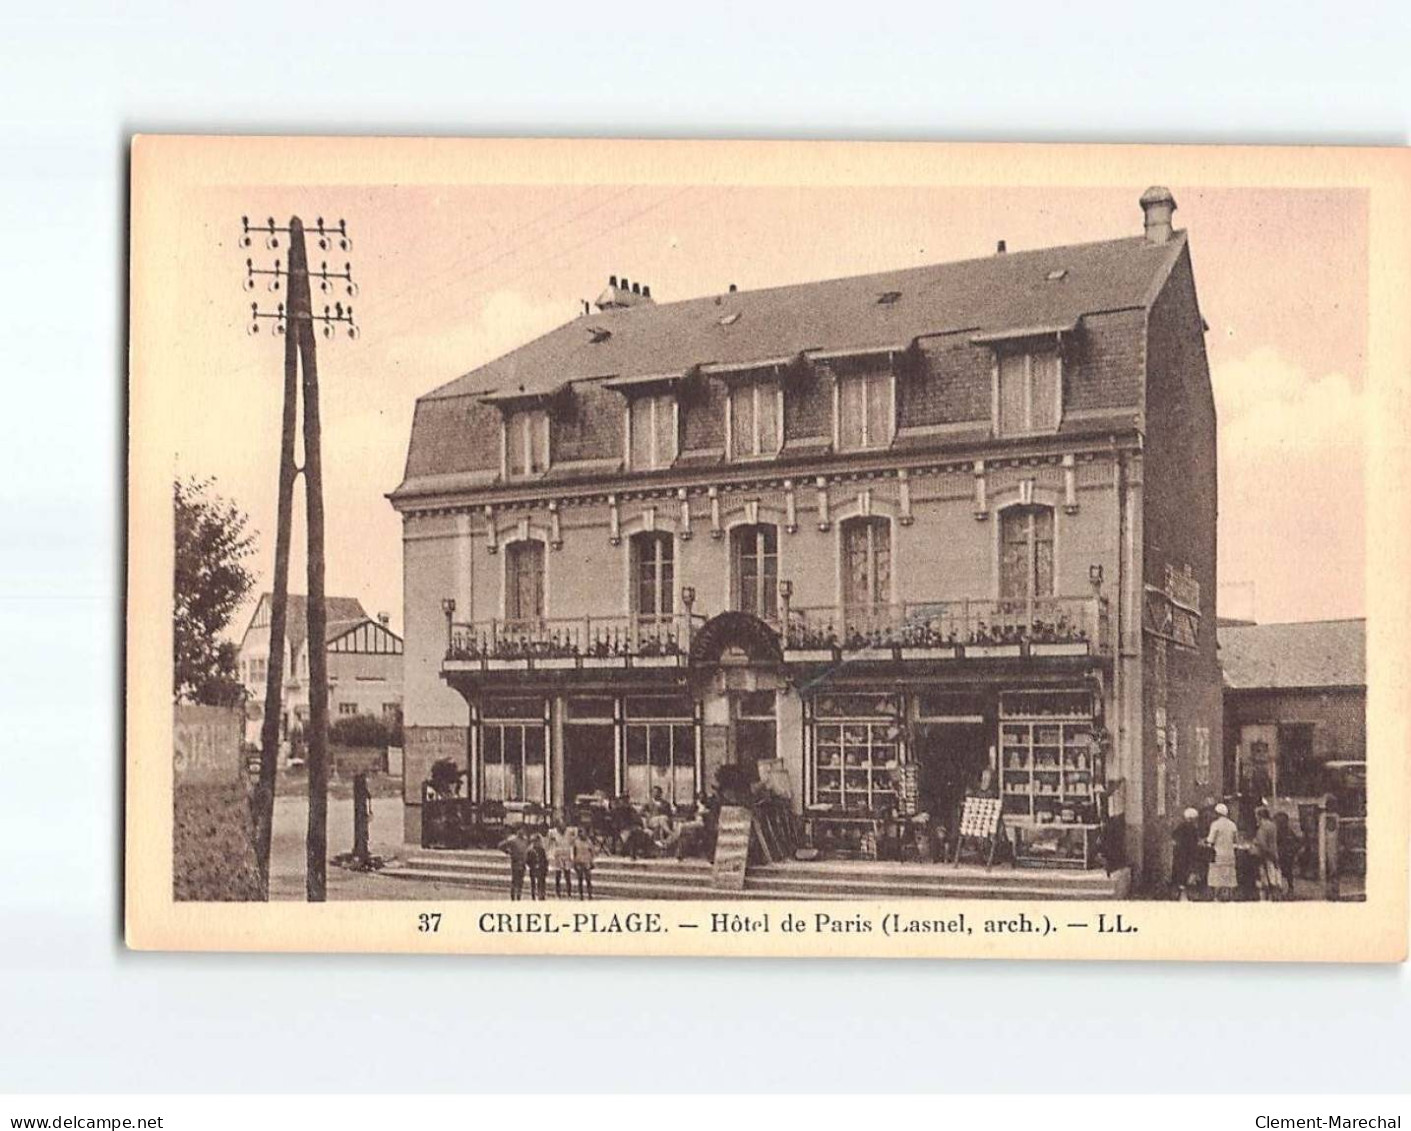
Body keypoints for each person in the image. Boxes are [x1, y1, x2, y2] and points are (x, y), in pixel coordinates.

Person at [1205, 802, 1239, 902]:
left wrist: (1206, 842)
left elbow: (1210, 840)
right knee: (1230, 875)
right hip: (1230, 854)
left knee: (1216, 875)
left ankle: (1216, 896)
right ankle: (1231, 896)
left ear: (1217, 813)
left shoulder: (1215, 825)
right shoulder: (1232, 825)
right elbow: (1236, 840)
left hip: (1218, 854)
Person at [1252, 806, 1287, 901]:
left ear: (1260, 816)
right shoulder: (1273, 825)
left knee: (1265, 880)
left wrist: (1255, 844)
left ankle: (1267, 898)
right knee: (1275, 877)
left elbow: (1262, 843)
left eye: (1256, 816)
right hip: (1274, 853)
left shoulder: (1263, 828)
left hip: (1265, 856)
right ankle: (1276, 896)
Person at [1171, 807, 1203, 900]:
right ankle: (1188, 892)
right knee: (1188, 870)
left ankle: (1180, 891)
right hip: (1190, 853)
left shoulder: (1180, 826)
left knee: (1180, 871)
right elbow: (1195, 841)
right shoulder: (1193, 828)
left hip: (1180, 852)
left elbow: (1174, 838)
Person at [498, 825, 529, 902]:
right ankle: (513, 898)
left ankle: (519, 897)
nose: (522, 832)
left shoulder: (525, 840)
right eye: (520, 830)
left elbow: (527, 849)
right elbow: (501, 845)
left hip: (523, 863)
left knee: (521, 881)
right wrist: (507, 852)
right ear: (517, 831)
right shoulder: (513, 840)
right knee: (515, 881)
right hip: (515, 863)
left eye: (523, 830)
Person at [1274, 810, 1301, 898]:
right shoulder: (1288, 831)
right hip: (1287, 854)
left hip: (1283, 854)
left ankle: (1284, 888)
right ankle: (1288, 888)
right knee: (1287, 872)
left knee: (1281, 871)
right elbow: (1297, 842)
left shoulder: (1281, 831)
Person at [547, 818, 575, 898]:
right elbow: (549, 842)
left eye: (564, 825)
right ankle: (557, 893)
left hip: (566, 853)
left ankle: (569, 893)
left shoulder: (569, 831)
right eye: (561, 825)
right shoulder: (553, 832)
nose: (563, 827)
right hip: (558, 854)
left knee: (567, 875)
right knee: (558, 875)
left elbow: (573, 840)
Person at [572, 827, 596, 900]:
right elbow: (574, 852)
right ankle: (581, 895)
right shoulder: (576, 842)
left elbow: (592, 852)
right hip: (579, 862)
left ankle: (590, 894)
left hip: (586, 862)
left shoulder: (589, 842)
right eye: (580, 833)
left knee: (588, 880)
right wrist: (575, 863)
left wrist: (591, 861)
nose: (581, 834)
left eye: (582, 832)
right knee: (580, 880)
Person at [525, 833, 549, 902]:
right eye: (534, 841)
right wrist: (532, 866)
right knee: (533, 883)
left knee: (541, 882)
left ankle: (541, 895)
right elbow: (527, 860)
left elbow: (545, 860)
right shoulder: (530, 851)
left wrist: (545, 868)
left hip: (541, 869)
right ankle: (533, 896)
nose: (536, 843)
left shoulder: (542, 850)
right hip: (533, 869)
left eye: (537, 841)